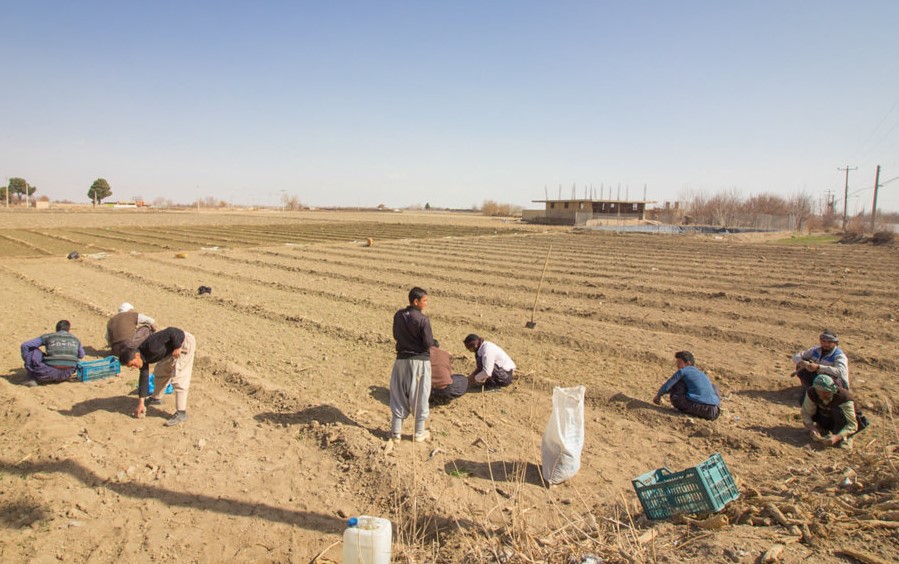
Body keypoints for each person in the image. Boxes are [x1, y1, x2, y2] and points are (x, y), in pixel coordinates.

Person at [119, 326, 196, 427]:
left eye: (132, 364)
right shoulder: (142, 358)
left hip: (183, 343)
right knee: (160, 372)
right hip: (172, 348)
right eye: (130, 367)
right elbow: (143, 378)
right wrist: (141, 403)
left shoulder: (151, 346)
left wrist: (177, 346)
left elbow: (172, 331)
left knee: (179, 378)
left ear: (136, 356)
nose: (133, 368)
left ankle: (181, 413)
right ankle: (156, 398)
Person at [390, 287, 434, 442]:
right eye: (424, 301)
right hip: (419, 362)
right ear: (416, 301)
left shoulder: (399, 315)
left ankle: (396, 433)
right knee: (420, 395)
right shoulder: (423, 319)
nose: (426, 304)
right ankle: (419, 433)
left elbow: (396, 335)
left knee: (398, 395)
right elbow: (428, 343)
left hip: (401, 361)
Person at [653, 351, 720, 420]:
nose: (677, 365)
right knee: (713, 387)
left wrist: (658, 396)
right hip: (713, 412)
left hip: (697, 407)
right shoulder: (702, 374)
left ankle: (686, 408)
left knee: (678, 383)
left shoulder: (684, 371)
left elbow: (668, 385)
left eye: (679, 362)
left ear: (688, 363)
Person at [801, 374, 859, 449]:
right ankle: (822, 429)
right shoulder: (812, 393)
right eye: (820, 391)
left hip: (843, 423)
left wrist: (837, 437)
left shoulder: (844, 398)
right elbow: (806, 413)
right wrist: (812, 428)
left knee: (838, 413)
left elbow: (852, 425)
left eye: (826, 392)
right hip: (826, 418)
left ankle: (846, 437)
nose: (823, 394)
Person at [20, 320, 85, 386]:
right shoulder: (76, 340)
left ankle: (32, 378)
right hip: (67, 374)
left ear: (57, 329)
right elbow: (81, 355)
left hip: (47, 373)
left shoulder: (48, 336)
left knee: (32, 350)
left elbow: (25, 345)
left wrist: (28, 364)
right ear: (68, 330)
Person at [792, 330, 849, 394]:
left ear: (835, 343)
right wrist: (801, 362)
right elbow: (796, 356)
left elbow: (840, 372)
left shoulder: (839, 356)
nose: (826, 344)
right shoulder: (815, 350)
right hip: (819, 377)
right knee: (802, 368)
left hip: (835, 383)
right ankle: (809, 390)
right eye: (823, 341)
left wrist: (818, 367)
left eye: (829, 342)